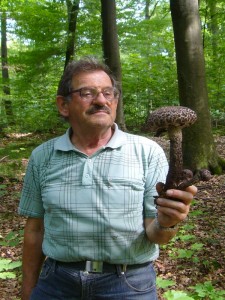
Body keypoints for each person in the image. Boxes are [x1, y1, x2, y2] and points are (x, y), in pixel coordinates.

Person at [18, 56, 197, 300]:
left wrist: (168, 222)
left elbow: (158, 235)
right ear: (63, 105)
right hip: (57, 284)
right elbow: (35, 230)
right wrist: (28, 291)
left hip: (128, 285)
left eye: (108, 93)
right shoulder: (42, 157)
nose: (101, 100)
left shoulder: (147, 152)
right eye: (87, 93)